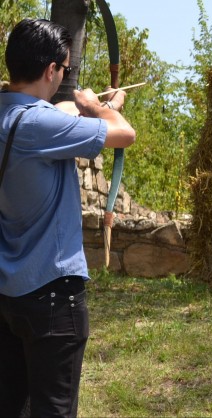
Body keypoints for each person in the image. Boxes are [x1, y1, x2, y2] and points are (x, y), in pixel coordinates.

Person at [0, 18, 135, 417]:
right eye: (63, 69)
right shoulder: (41, 127)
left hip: (9, 294)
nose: (63, 77)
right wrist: (101, 109)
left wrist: (89, 107)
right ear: (51, 71)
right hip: (53, 297)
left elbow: (50, 112)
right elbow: (124, 134)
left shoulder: (13, 117)